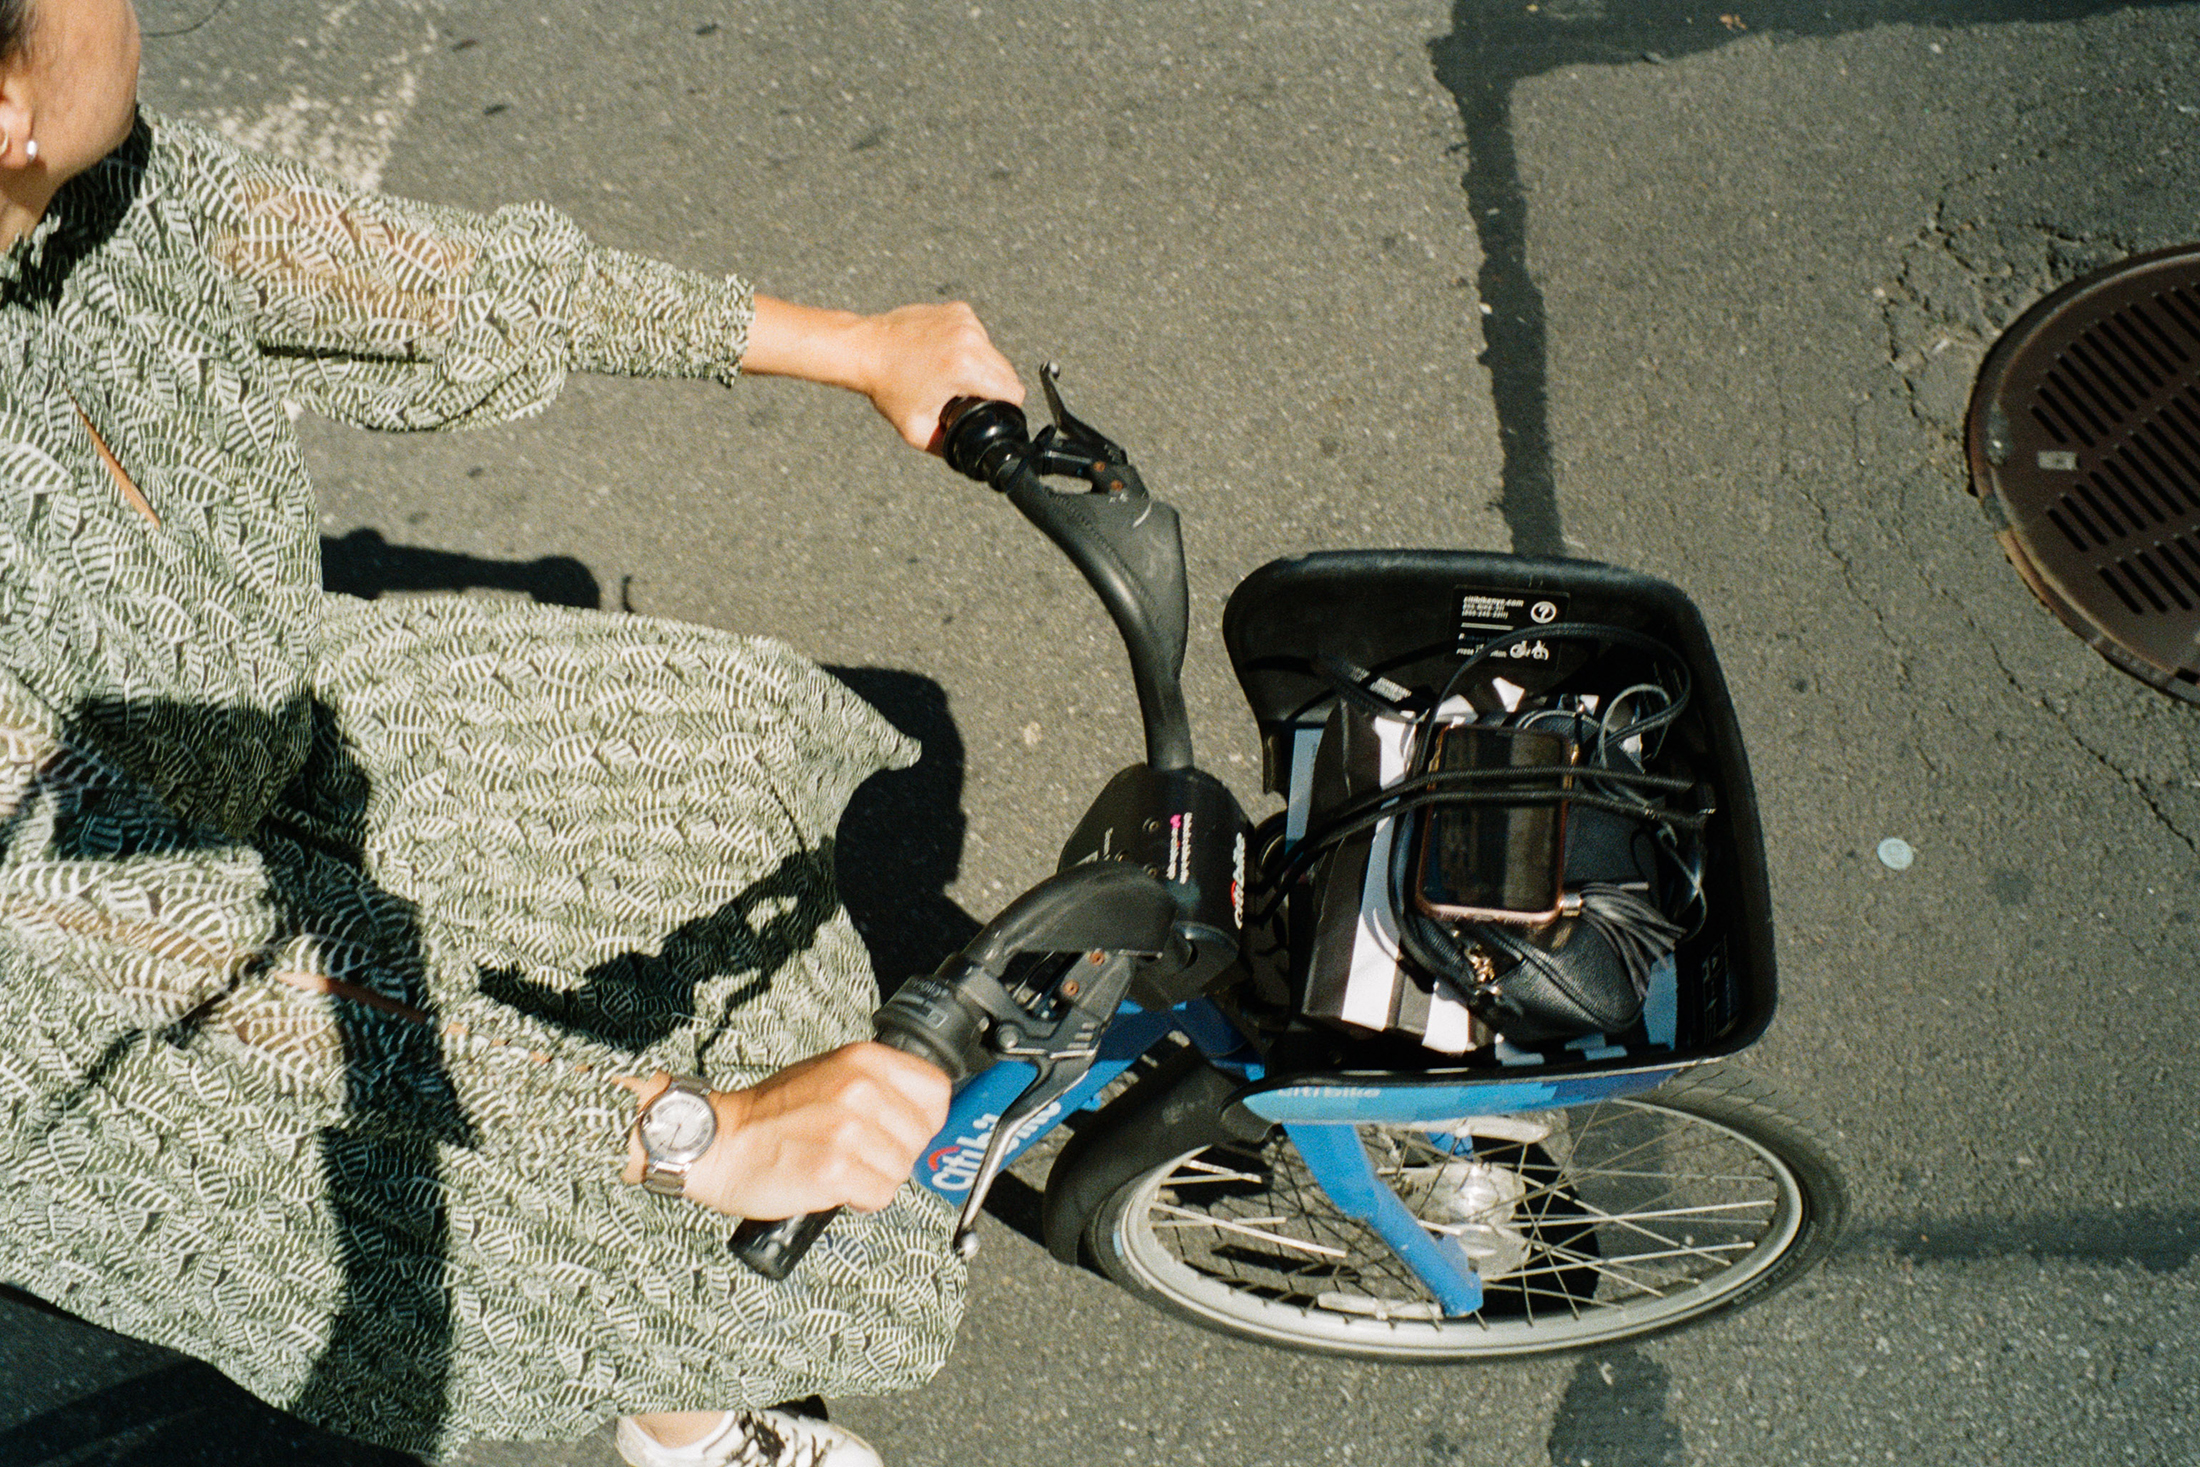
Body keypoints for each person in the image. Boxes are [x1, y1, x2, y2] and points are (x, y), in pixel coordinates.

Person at [0, 2, 1025, 1464]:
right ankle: (685, 1414)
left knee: (705, 751)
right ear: (7, 108)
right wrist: (696, 1134)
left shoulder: (79, 191)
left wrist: (848, 347)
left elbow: (404, 279)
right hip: (110, 1030)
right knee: (563, 1213)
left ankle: (687, 1346)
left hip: (271, 730)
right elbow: (189, 962)